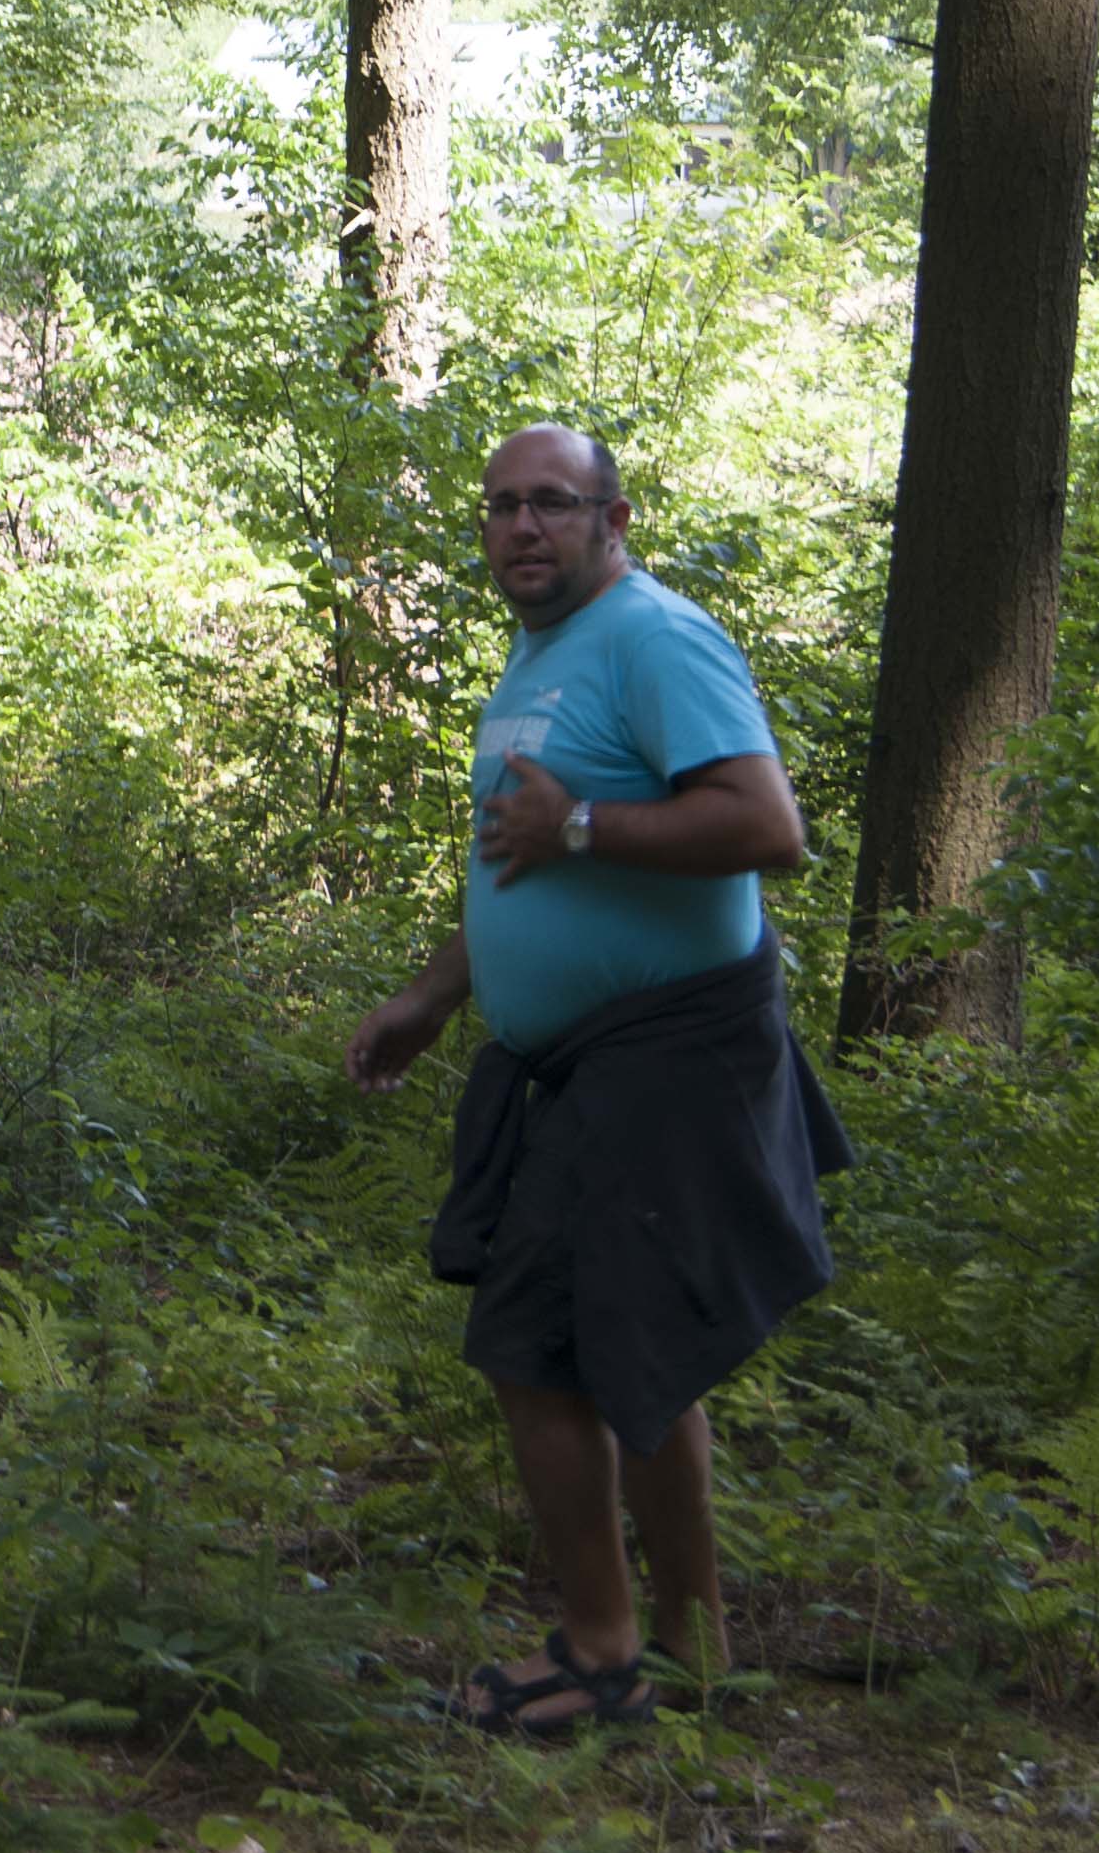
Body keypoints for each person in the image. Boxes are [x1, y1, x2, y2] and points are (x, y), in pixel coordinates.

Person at [342, 423, 848, 1738]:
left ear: (614, 519)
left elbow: (765, 826)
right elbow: (512, 852)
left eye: (551, 504)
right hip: (576, 1059)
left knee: (540, 1350)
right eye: (501, 505)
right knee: (644, 1353)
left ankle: (601, 1650)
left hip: (668, 1052)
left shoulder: (655, 638)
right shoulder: (540, 656)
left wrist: (578, 824)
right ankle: (693, 1646)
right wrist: (434, 995)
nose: (521, 527)